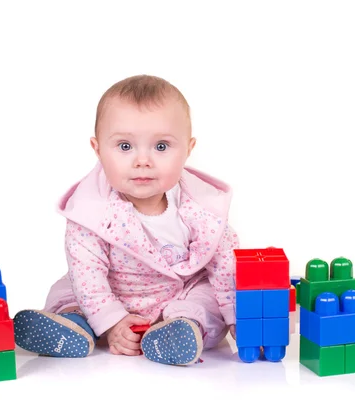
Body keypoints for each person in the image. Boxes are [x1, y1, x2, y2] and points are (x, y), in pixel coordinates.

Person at [13, 74, 240, 366]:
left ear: (188, 149)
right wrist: (110, 320)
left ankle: (181, 330)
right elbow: (89, 274)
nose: (142, 160)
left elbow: (225, 265)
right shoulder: (90, 212)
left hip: (177, 294)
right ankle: (75, 324)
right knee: (71, 287)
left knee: (205, 298)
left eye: (161, 147)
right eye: (124, 146)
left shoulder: (201, 208)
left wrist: (237, 317)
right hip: (110, 292)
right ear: (97, 149)